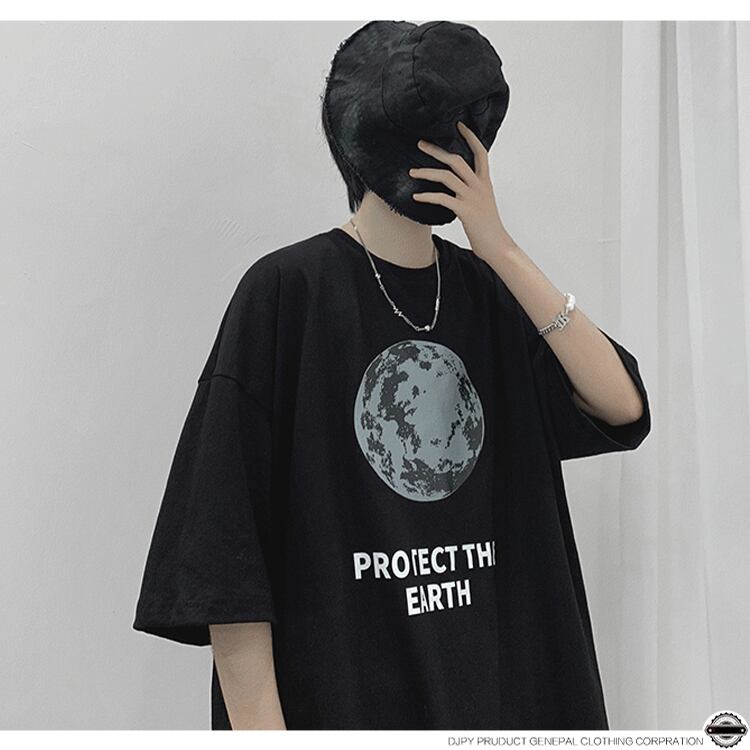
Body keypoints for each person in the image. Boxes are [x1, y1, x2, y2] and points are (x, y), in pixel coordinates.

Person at [132, 20, 651, 731]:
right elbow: (224, 551)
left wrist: (499, 245)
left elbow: (621, 405)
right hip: (347, 703)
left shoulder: (488, 292)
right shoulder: (287, 294)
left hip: (506, 697)